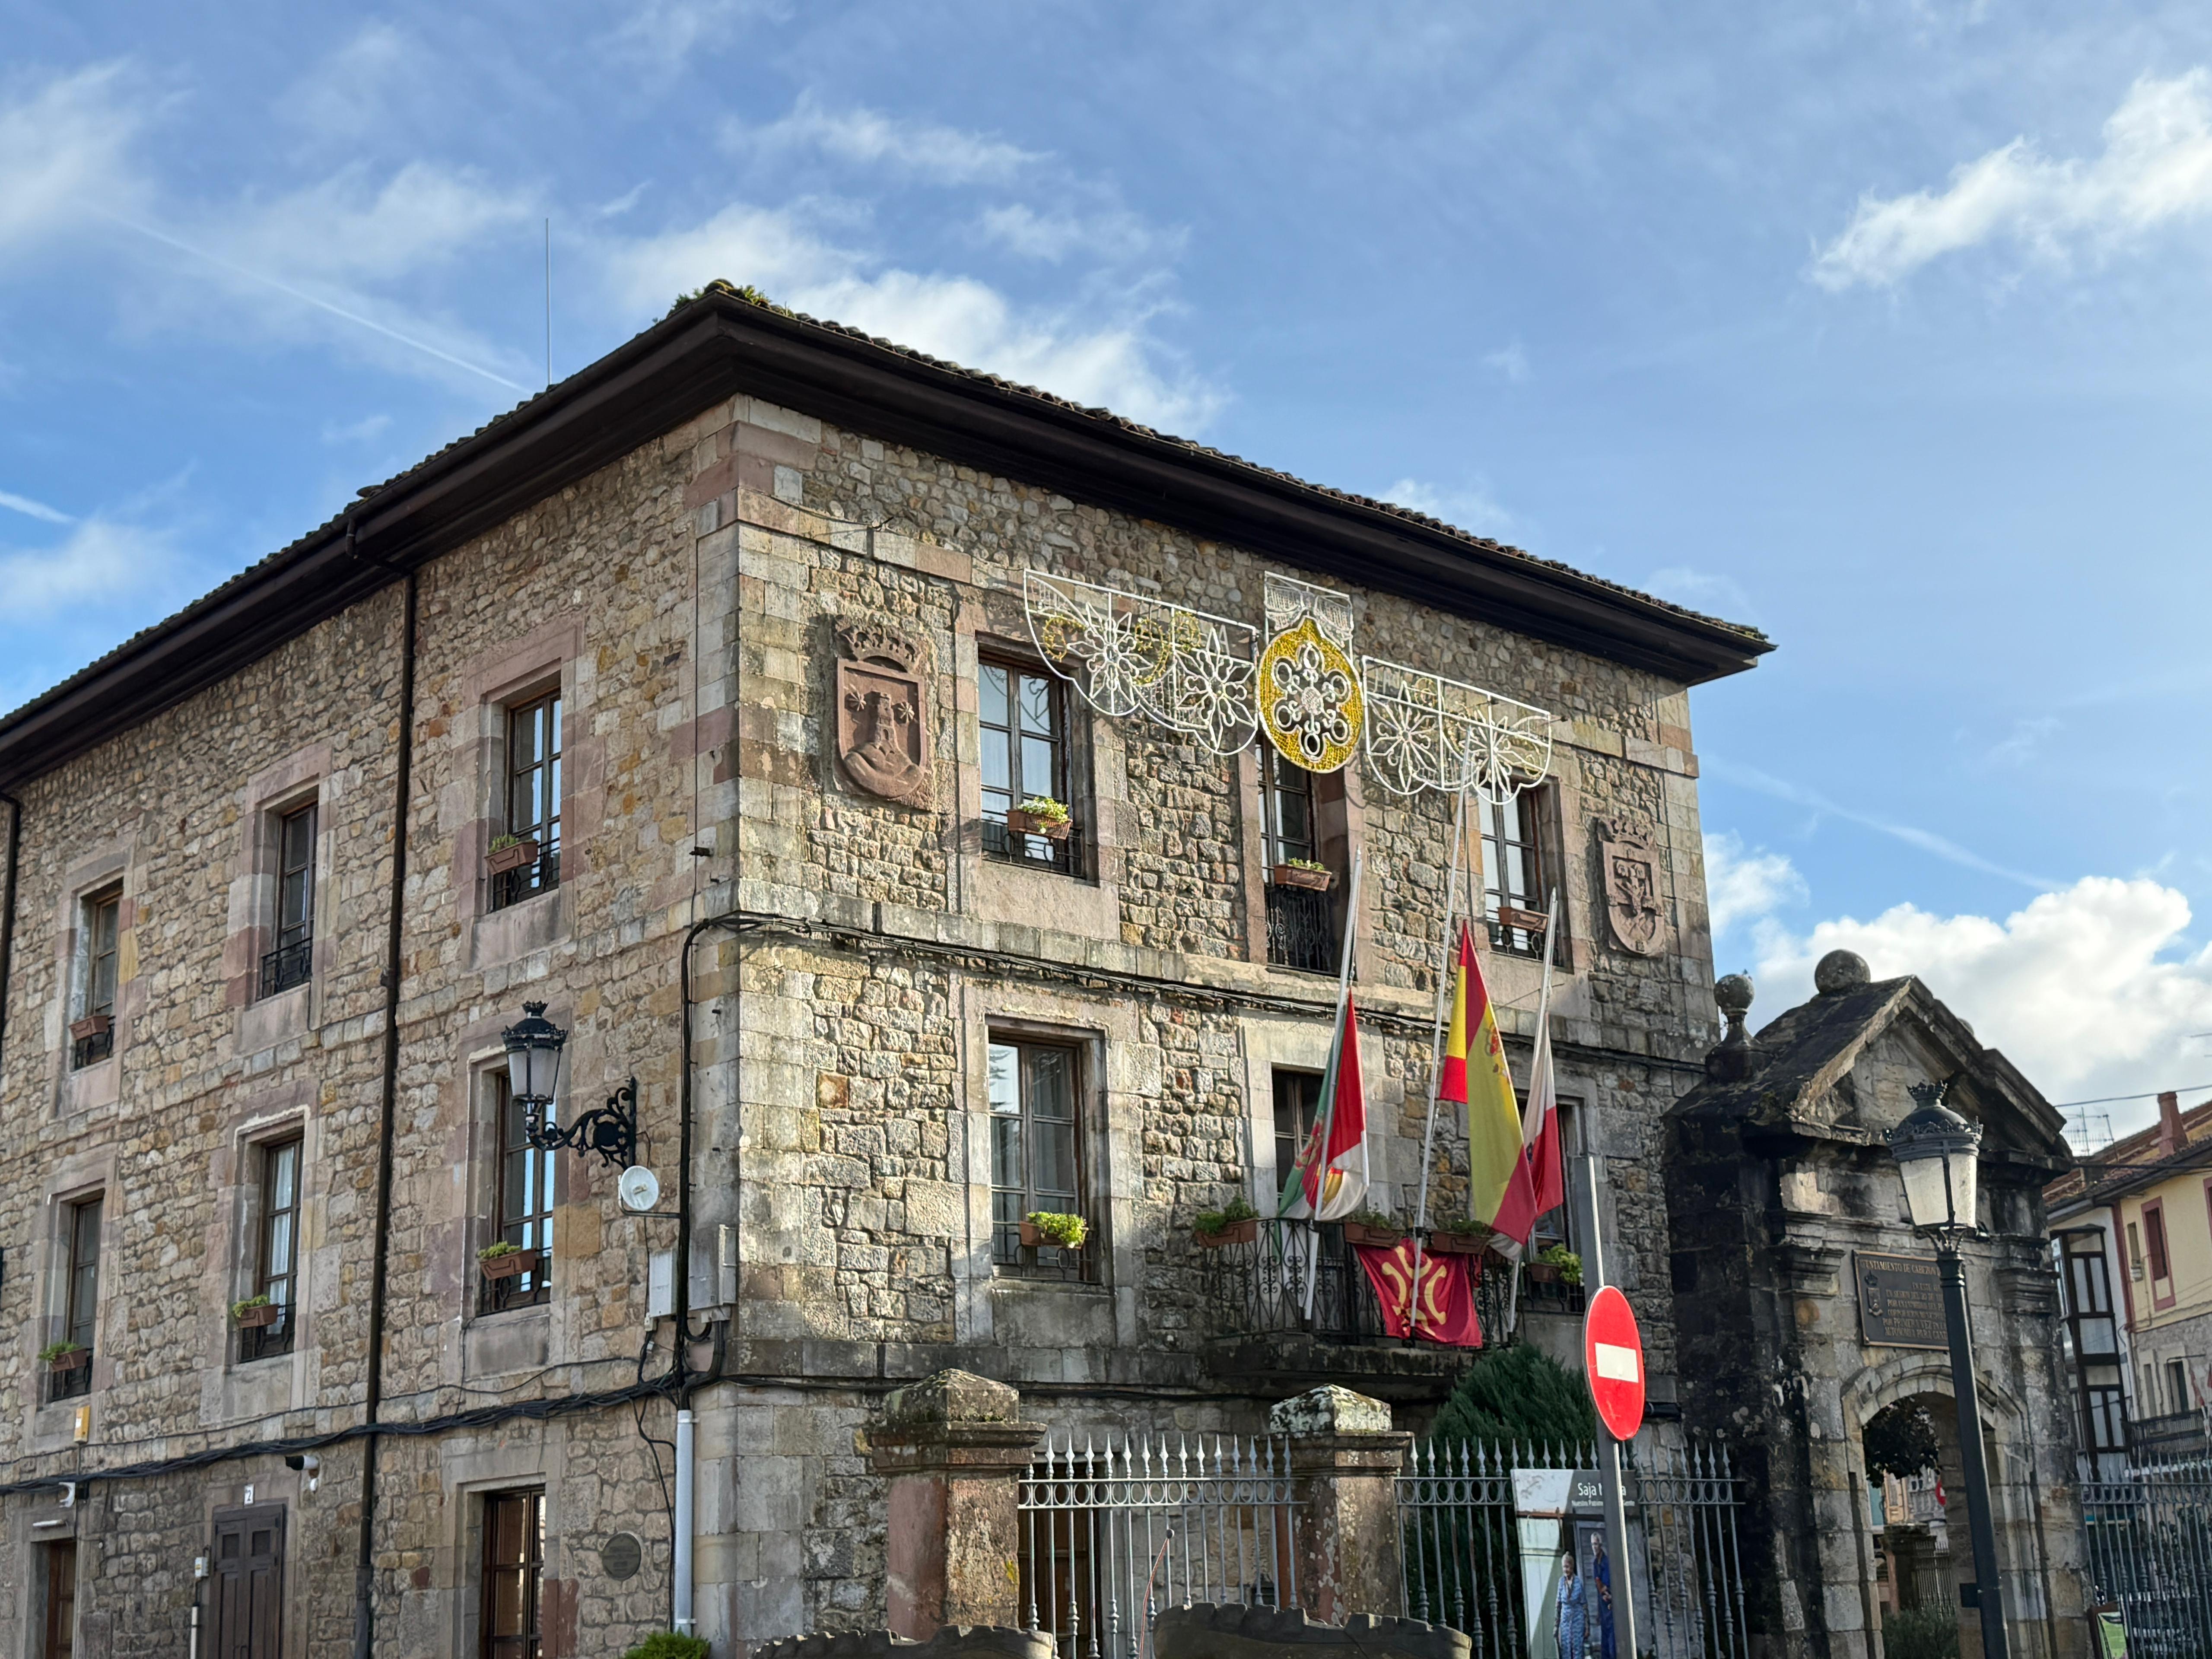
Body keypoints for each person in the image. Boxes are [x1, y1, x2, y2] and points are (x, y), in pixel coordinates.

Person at [1555, 1547, 1586, 1659]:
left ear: (1572, 1567)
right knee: (1566, 1648)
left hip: (1577, 1618)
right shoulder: (1561, 1582)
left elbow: (1584, 1604)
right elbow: (1558, 1604)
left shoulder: (1578, 1582)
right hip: (1565, 1619)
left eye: (1568, 1567)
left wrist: (1587, 1626)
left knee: (1577, 1648)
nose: (1566, 1570)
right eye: (1564, 1567)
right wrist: (1556, 1626)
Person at [1590, 1537, 1616, 1659]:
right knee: (1605, 1639)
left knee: (1612, 1639)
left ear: (1600, 1545)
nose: (1594, 1547)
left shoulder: (1606, 1562)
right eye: (1592, 1545)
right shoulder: (1596, 1563)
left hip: (1610, 1603)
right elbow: (1598, 1588)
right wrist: (1598, 1612)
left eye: (1596, 1544)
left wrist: (1602, 1587)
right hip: (1603, 1604)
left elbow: (1604, 1586)